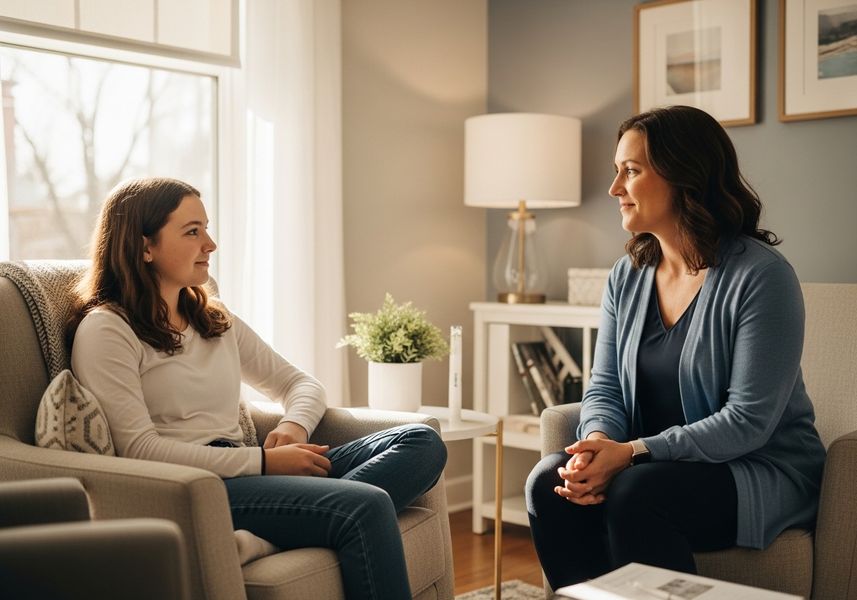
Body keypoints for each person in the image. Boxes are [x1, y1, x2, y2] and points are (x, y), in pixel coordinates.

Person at [69, 177, 447, 599]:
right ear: (144, 247)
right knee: (367, 504)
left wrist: (295, 428)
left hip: (252, 471)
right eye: (192, 231)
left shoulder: (212, 318)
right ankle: (308, 519)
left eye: (206, 228)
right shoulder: (107, 329)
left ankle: (272, 536)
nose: (210, 244)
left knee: (422, 442)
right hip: (198, 487)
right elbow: (138, 449)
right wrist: (265, 463)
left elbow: (300, 383)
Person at [525, 105, 826, 589]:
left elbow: (748, 421)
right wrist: (600, 443)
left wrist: (633, 453)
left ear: (685, 176)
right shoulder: (627, 276)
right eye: (617, 171)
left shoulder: (763, 277)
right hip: (650, 464)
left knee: (637, 494)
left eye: (631, 170)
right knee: (548, 481)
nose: (614, 189)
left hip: (754, 471)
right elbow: (604, 387)